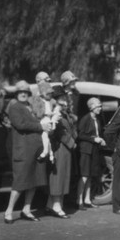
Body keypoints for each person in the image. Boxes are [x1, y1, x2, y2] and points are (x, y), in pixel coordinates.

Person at [4, 81, 52, 224]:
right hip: (23, 150)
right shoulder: (14, 107)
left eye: (26, 92)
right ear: (16, 94)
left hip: (35, 150)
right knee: (20, 182)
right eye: (20, 92)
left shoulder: (29, 106)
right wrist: (40, 126)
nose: (23, 94)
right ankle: (9, 211)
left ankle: (26, 209)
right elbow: (20, 125)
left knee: (34, 181)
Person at [45, 86, 77, 218]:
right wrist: (71, 142)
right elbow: (59, 131)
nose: (64, 100)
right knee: (58, 176)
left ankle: (50, 204)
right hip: (59, 147)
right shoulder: (55, 112)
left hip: (65, 148)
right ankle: (57, 206)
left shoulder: (64, 112)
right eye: (62, 97)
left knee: (62, 175)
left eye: (64, 97)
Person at [76, 97, 106, 210]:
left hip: (94, 150)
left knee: (89, 176)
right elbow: (80, 135)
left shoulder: (97, 119)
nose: (100, 108)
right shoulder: (85, 119)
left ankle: (87, 200)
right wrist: (94, 139)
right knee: (84, 176)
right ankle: (78, 201)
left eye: (100, 106)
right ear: (92, 107)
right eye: (98, 106)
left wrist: (100, 139)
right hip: (86, 150)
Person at [31, 82, 61, 162]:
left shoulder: (52, 102)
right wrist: (44, 112)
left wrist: (54, 116)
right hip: (42, 120)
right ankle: (49, 153)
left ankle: (46, 152)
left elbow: (57, 111)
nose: (49, 95)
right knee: (45, 136)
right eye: (48, 94)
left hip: (50, 120)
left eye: (51, 94)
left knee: (46, 135)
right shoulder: (38, 101)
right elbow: (37, 113)